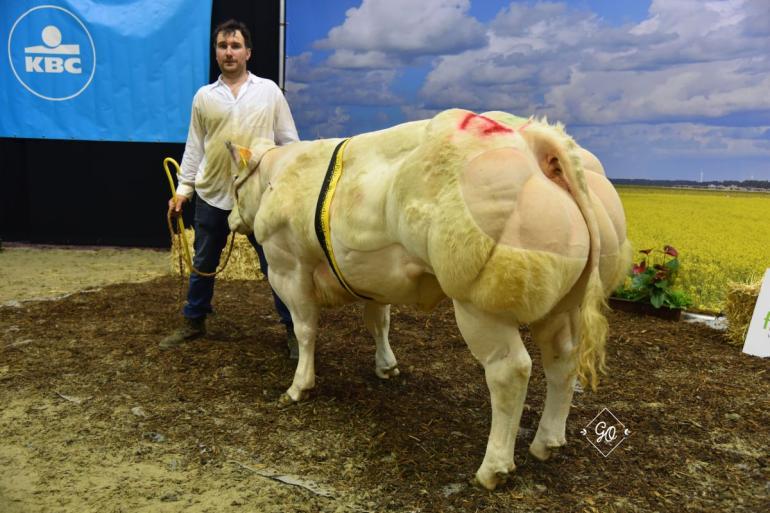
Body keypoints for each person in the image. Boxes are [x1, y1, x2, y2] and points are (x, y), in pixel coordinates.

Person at [161, 19, 299, 357]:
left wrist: (289, 185)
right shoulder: (204, 97)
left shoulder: (269, 91)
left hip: (258, 198)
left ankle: (294, 329)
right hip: (213, 193)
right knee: (204, 261)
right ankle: (194, 320)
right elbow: (195, 146)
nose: (229, 52)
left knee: (275, 265)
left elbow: (289, 143)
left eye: (235, 46)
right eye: (223, 46)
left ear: (248, 52)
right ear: (216, 53)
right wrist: (183, 190)